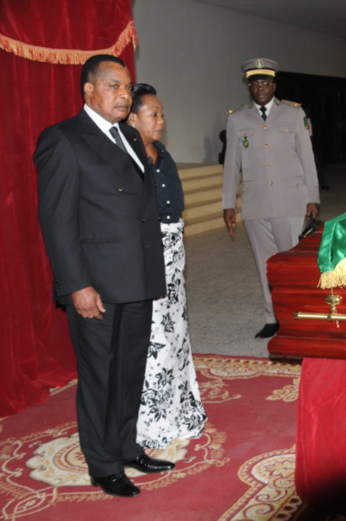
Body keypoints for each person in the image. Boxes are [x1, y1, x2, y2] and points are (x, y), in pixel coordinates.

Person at [34, 54, 174, 498]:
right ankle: (103, 463)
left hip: (137, 278)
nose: (123, 95)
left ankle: (127, 446)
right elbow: (58, 222)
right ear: (88, 90)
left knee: (130, 370)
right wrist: (76, 285)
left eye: (127, 87)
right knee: (99, 376)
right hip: (96, 284)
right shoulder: (63, 139)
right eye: (113, 86)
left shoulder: (130, 135)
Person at [125, 84, 207, 449]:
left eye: (161, 113)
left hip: (173, 252)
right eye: (153, 114)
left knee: (176, 332)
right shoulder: (123, 156)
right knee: (154, 335)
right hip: (143, 254)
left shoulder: (162, 153)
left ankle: (180, 410)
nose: (161, 120)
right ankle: (151, 421)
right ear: (131, 117)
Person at [222, 58, 320, 339]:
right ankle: (272, 317)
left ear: (274, 85)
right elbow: (231, 165)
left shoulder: (294, 114)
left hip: (291, 200)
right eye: (255, 83)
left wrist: (312, 196)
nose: (260, 88)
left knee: (289, 263)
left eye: (265, 82)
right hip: (256, 203)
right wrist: (228, 203)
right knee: (265, 263)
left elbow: (307, 158)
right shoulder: (237, 119)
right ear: (249, 87)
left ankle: (295, 315)